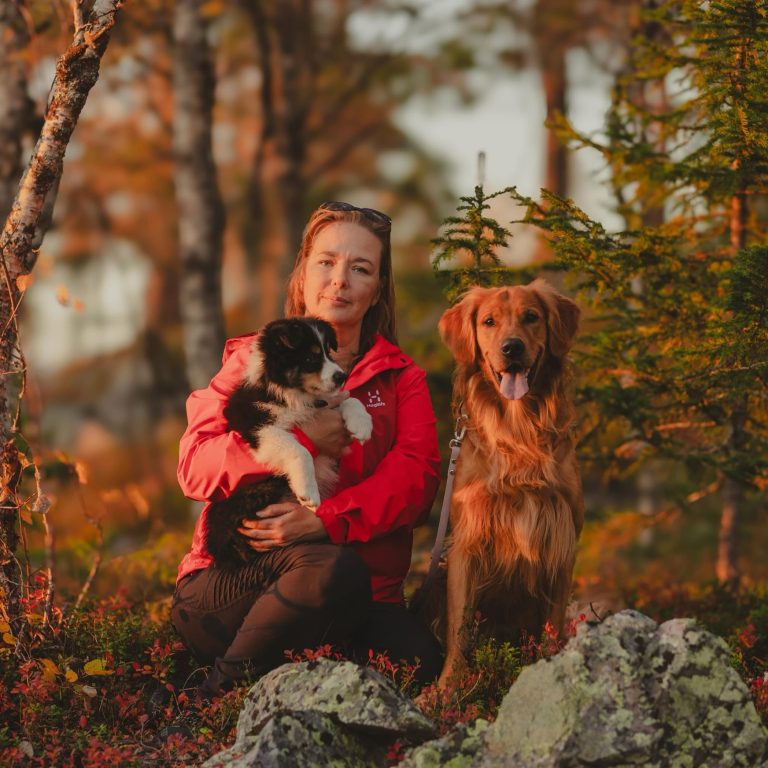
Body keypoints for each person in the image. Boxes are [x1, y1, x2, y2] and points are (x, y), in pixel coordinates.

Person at [170, 201, 443, 707]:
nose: (339, 280)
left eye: (359, 269)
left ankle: (291, 675)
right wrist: (306, 440)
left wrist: (325, 521)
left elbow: (416, 484)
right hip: (233, 582)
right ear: (303, 271)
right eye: (326, 262)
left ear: (377, 288)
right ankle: (215, 698)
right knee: (327, 572)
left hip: (361, 596)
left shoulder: (402, 379)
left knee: (421, 662)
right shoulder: (252, 358)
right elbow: (194, 465)